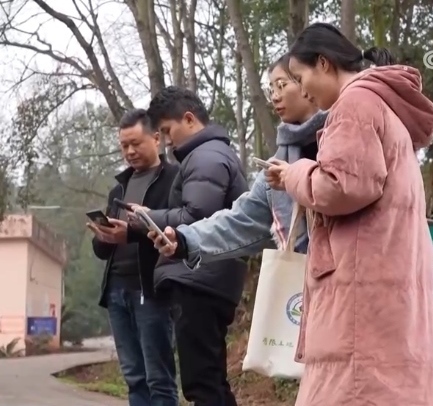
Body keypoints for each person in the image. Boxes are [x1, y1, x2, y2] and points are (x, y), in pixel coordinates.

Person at [266, 22, 433, 405]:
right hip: (387, 289)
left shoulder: (355, 105)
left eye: (299, 77)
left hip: (361, 298)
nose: (301, 90)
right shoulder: (384, 106)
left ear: (323, 63)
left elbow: (343, 185)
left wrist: (296, 174)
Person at [126, 86, 248, 406]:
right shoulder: (211, 154)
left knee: (202, 383)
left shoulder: (206, 157)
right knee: (211, 380)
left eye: (167, 131)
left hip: (201, 279)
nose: (166, 141)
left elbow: (197, 216)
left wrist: (147, 217)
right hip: (210, 277)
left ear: (190, 119)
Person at [146, 52, 326, 264]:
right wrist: (185, 239)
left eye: (281, 85)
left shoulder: (347, 137)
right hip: (309, 278)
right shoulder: (276, 166)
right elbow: (242, 220)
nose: (275, 97)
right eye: (271, 89)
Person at [88, 109, 179, 406]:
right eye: (124, 145)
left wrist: (132, 233)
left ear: (156, 138)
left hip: (152, 289)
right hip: (117, 290)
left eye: (136, 143)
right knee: (133, 377)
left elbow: (177, 231)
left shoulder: (173, 180)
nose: (129, 151)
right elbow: (103, 250)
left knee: (158, 377)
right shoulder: (119, 188)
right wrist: (103, 237)